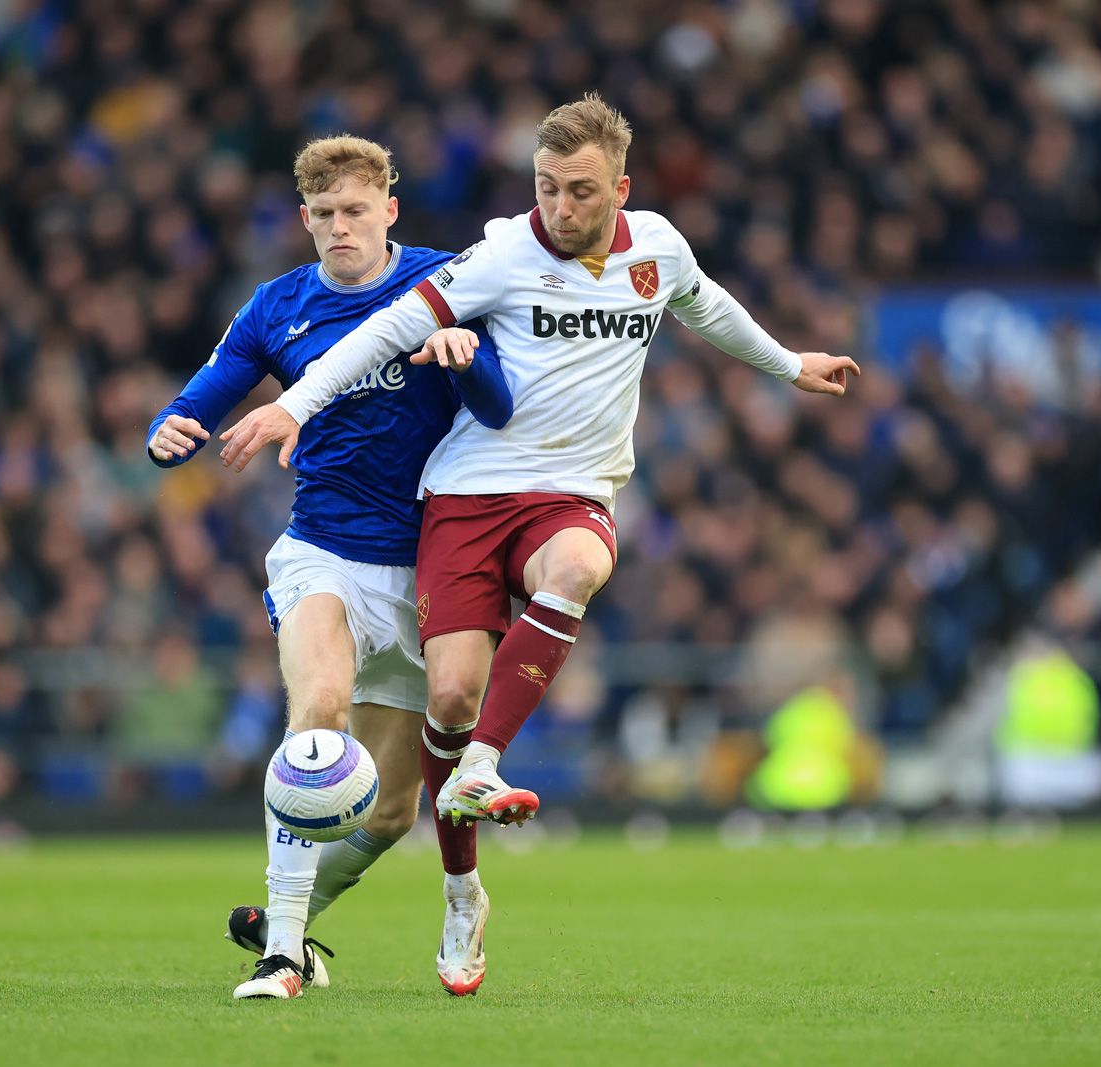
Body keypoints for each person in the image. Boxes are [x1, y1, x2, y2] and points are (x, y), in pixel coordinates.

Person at [217, 94, 858, 995]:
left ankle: (482, 762)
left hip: (571, 494)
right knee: (450, 695)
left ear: (621, 190)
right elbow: (385, 332)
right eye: (546, 188)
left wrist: (793, 364)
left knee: (580, 566)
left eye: (579, 191)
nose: (559, 207)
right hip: (466, 497)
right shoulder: (504, 254)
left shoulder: (657, 250)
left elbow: (709, 309)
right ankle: (461, 887)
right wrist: (293, 401)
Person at [146, 135, 512, 1000]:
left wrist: (466, 364)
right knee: (318, 712)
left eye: (356, 211)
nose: (340, 228)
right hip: (326, 553)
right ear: (304, 221)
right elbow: (198, 401)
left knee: (387, 811)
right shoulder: (276, 308)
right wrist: (169, 432)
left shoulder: (451, 283)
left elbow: (498, 407)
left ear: (389, 210)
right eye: (324, 216)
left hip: (433, 572)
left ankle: (297, 930)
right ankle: (279, 953)